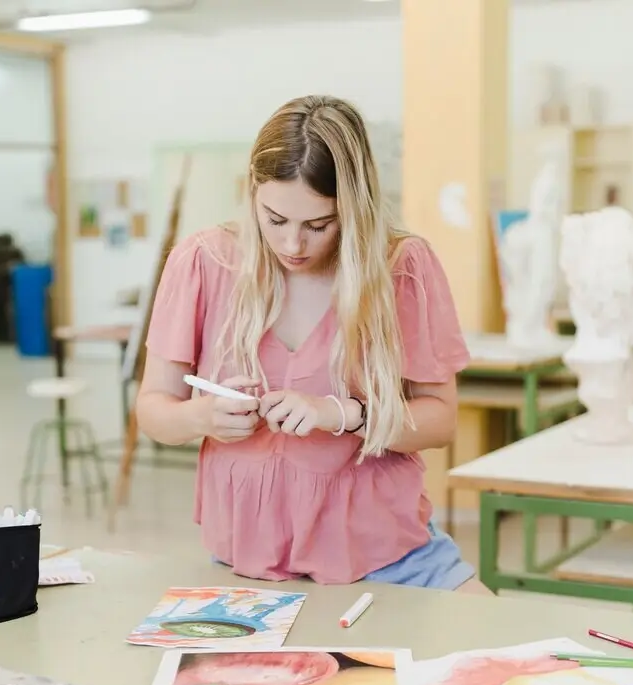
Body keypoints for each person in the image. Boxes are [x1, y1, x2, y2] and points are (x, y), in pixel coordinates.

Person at [136, 95, 489, 595]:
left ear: (354, 207)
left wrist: (340, 414)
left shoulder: (402, 267)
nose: (292, 245)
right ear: (252, 190)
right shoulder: (203, 261)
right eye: (275, 219)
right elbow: (153, 408)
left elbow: (440, 420)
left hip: (387, 555)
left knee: (502, 641)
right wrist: (202, 417)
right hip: (247, 561)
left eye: (319, 225)